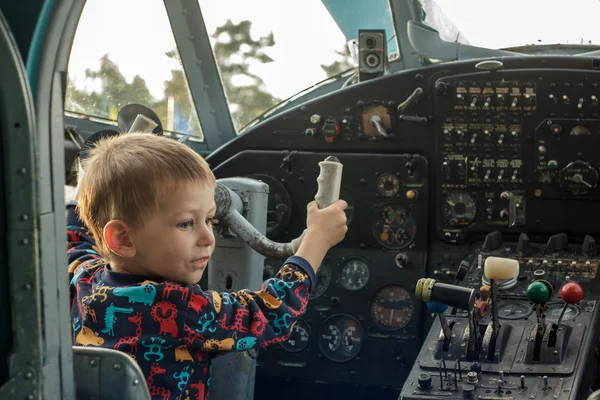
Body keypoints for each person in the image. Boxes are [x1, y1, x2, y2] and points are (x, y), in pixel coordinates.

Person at [67, 133, 347, 400]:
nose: (208, 238)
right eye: (186, 223)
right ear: (123, 238)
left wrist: (90, 195)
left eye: (210, 219)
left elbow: (75, 240)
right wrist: (317, 240)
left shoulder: (82, 278)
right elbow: (271, 312)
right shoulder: (178, 308)